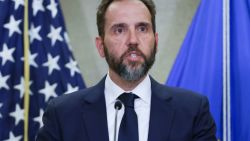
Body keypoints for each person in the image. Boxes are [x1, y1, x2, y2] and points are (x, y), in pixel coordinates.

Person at [36, 0, 217, 141]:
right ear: (100, 46)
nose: (133, 40)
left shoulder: (192, 111)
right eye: (119, 30)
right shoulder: (62, 115)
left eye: (142, 28)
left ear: (156, 41)